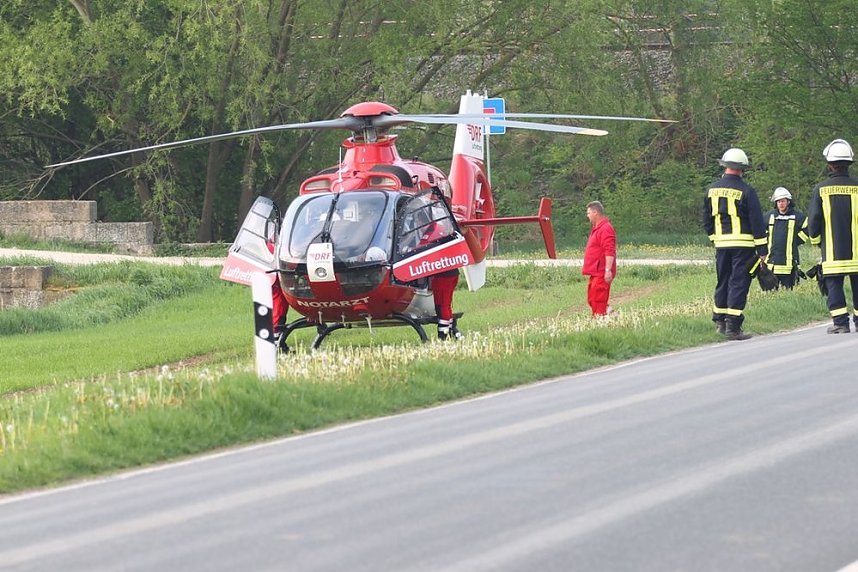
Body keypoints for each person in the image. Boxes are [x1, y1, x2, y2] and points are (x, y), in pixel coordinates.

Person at [702, 148, 768, 340]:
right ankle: (733, 327)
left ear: (725, 166)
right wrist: (762, 249)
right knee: (738, 283)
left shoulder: (711, 190)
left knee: (723, 280)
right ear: (742, 169)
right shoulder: (747, 191)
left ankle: (720, 322)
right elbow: (756, 222)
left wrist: (714, 238)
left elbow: (706, 219)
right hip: (744, 246)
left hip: (721, 245)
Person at [806, 138, 858, 334]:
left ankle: (840, 323)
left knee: (834, 284)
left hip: (832, 250)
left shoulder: (821, 189)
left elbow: (814, 220)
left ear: (829, 164)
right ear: (849, 163)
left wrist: (816, 241)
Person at [764, 186, 808, 289]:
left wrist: (796, 241)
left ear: (788, 201)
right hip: (771, 264)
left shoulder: (798, 216)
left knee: (789, 292)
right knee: (771, 293)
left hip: (789, 265)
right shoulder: (769, 216)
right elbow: (760, 231)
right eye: (778, 201)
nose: (781, 204)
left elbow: (809, 228)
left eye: (783, 201)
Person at [582, 201, 617, 316]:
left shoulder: (605, 229)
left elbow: (609, 250)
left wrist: (608, 270)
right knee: (592, 298)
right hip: (595, 272)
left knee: (598, 299)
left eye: (588, 213)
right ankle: (610, 313)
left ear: (595, 213)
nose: (587, 216)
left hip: (602, 271)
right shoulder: (597, 228)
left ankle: (599, 320)